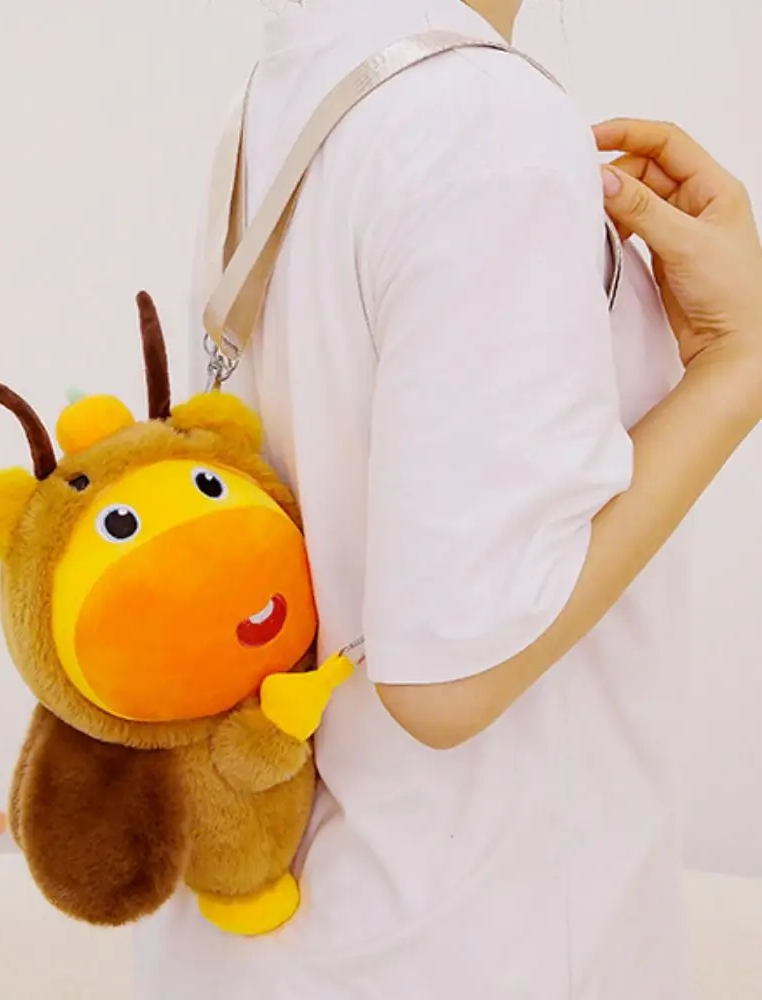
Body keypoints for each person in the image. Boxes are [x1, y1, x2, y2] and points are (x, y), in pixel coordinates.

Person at [135, 0, 762, 996]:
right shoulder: (479, 123)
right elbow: (448, 680)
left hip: (271, 933)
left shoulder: (293, 82)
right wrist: (737, 368)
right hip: (467, 937)